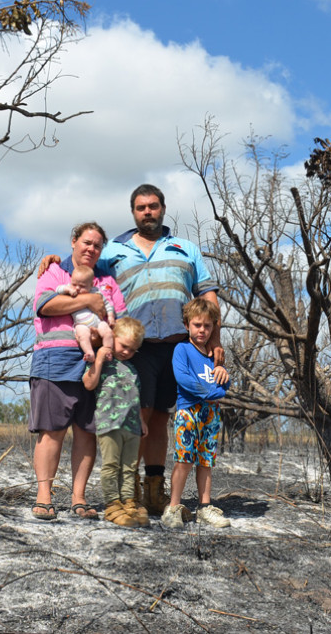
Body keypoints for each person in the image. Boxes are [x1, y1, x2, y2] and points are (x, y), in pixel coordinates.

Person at [39, 185, 222, 516]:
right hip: (137, 348)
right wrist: (55, 260)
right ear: (133, 212)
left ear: (163, 208)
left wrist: (216, 341)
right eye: (141, 207)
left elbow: (207, 295)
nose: (147, 212)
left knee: (163, 418)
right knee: (136, 419)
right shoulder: (114, 250)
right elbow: (81, 262)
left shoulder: (185, 248)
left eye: (153, 206)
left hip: (179, 346)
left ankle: (154, 490)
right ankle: (128, 494)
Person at [29, 222, 127, 521]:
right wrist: (89, 300)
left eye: (97, 245)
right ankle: (44, 496)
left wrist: (101, 337)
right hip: (54, 359)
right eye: (86, 242)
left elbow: (119, 322)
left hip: (96, 361)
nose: (91, 249)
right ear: (73, 241)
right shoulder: (55, 271)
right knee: (53, 430)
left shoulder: (108, 280)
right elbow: (46, 305)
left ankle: (79, 497)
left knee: (87, 431)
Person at [161, 298, 231, 529]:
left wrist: (221, 373)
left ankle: (204, 507)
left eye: (207, 326)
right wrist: (211, 392)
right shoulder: (182, 349)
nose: (202, 330)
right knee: (184, 460)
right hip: (188, 412)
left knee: (206, 460)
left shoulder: (214, 356)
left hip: (211, 415)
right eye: (197, 325)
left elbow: (224, 386)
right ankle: (173, 508)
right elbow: (184, 380)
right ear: (187, 325)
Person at [82, 317, 150, 528]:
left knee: (130, 467)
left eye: (132, 350)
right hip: (109, 424)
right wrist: (100, 358)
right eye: (123, 346)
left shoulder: (132, 370)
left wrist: (141, 421)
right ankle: (112, 505)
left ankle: (129, 503)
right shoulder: (103, 363)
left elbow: (135, 397)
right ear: (113, 338)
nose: (127, 352)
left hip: (131, 426)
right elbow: (88, 384)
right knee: (111, 466)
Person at [56, 264, 117, 362]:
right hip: (81, 324)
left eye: (82, 286)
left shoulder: (96, 291)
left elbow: (107, 304)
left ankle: (108, 350)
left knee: (107, 331)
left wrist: (110, 316)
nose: (77, 288)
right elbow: (58, 289)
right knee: (82, 335)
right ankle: (89, 353)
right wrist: (68, 289)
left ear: (91, 285)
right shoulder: (70, 289)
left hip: (98, 322)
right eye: (74, 284)